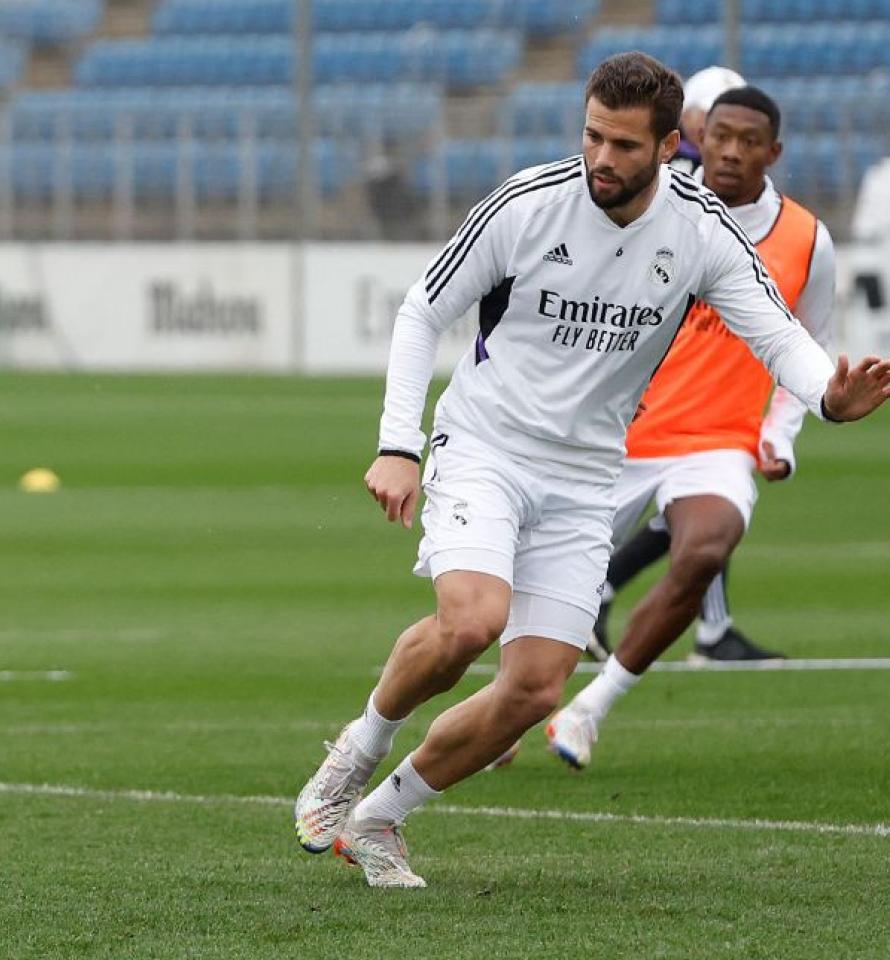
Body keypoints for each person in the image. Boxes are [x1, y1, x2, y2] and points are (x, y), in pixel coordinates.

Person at [290, 52, 890, 889]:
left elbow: (775, 330)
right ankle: (356, 751)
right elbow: (424, 309)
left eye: (623, 146)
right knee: (471, 621)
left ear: (668, 147)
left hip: (584, 476)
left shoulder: (698, 229)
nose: (602, 159)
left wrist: (827, 397)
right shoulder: (529, 203)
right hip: (487, 446)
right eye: (591, 137)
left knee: (536, 688)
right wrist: (399, 443)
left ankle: (382, 818)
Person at [547, 87, 835, 768]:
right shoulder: (650, 204)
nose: (732, 150)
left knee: (705, 549)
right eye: (721, 134)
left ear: (774, 152)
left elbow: (810, 346)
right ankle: (509, 702)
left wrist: (780, 433)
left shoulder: (805, 238)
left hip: (716, 441)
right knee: (522, 593)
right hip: (615, 434)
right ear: (698, 139)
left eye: (749, 140)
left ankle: (591, 708)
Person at [669, 65, 744, 177]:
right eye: (713, 114)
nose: (728, 123)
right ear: (685, 114)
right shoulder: (660, 158)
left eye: (738, 116)